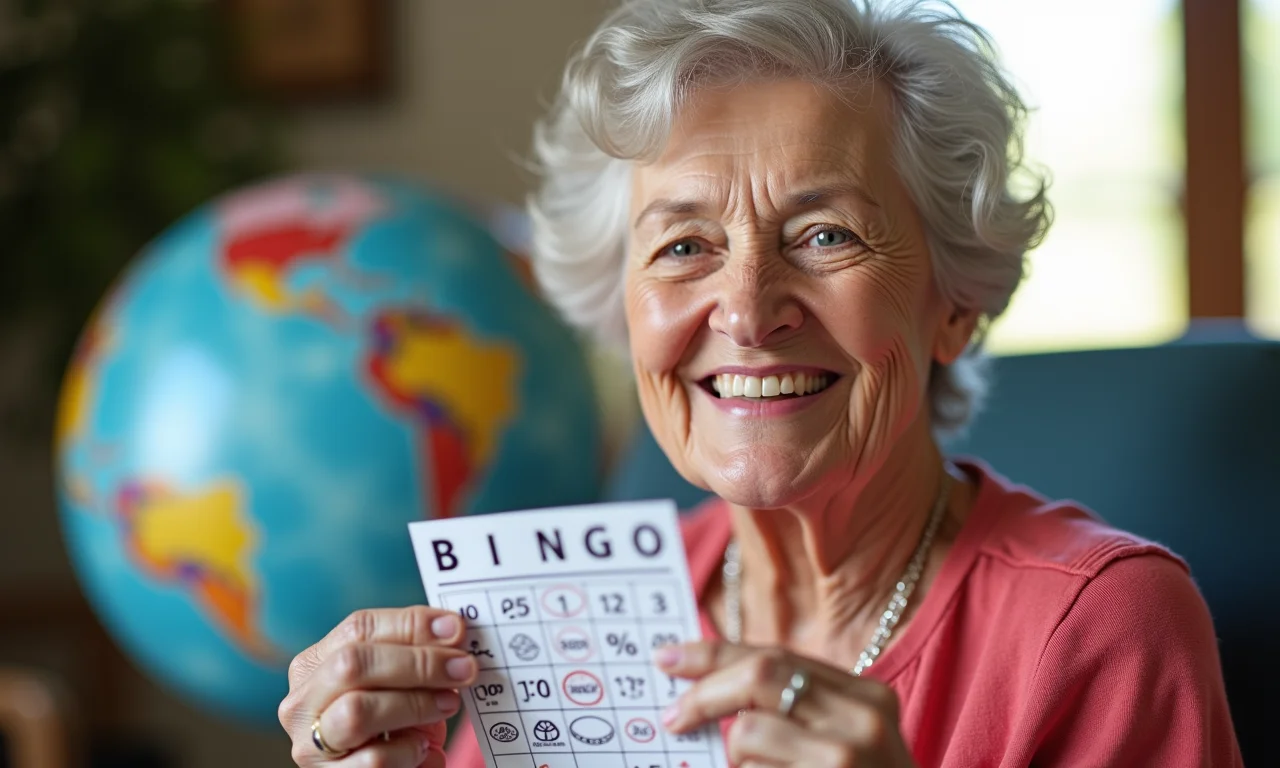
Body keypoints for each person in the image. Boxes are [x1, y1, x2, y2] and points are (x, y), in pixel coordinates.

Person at [278, 0, 1244, 765]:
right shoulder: (571, 619)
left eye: (825, 235)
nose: (745, 310)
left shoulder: (1098, 630)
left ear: (954, 300)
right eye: (685, 246)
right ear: (625, 313)